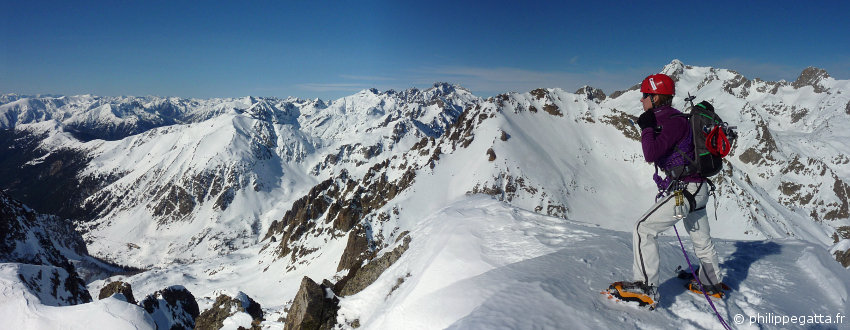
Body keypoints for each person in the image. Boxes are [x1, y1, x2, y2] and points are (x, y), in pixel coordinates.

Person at [609, 73, 723, 308]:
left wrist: (647, 128)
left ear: (656, 97)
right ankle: (711, 282)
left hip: (687, 190)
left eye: (645, 96)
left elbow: (651, 153)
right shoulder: (676, 118)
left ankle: (645, 286)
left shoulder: (668, 120)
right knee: (701, 239)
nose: (641, 100)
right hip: (697, 189)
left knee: (643, 228)